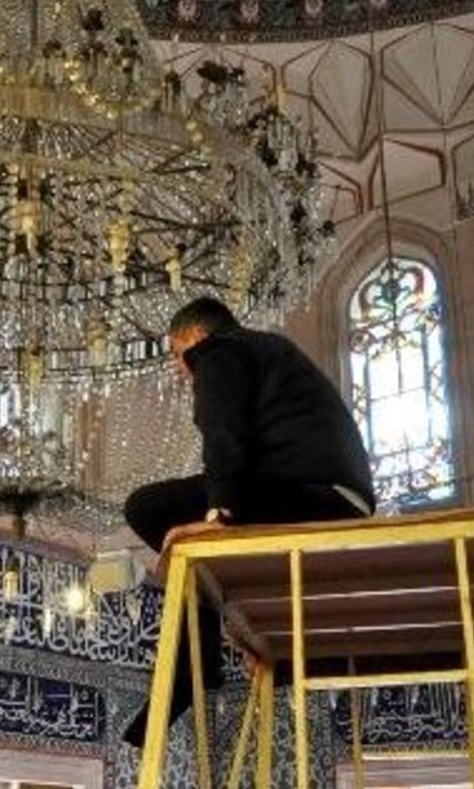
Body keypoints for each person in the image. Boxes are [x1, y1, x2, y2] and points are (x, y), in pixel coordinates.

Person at [123, 296, 375, 745]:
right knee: (196, 548)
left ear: (193, 336)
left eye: (177, 355)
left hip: (313, 494)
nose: (181, 371)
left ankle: (196, 664)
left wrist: (220, 514)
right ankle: (210, 653)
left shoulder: (218, 352)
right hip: (326, 495)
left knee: (148, 508)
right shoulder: (267, 351)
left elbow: (224, 434)